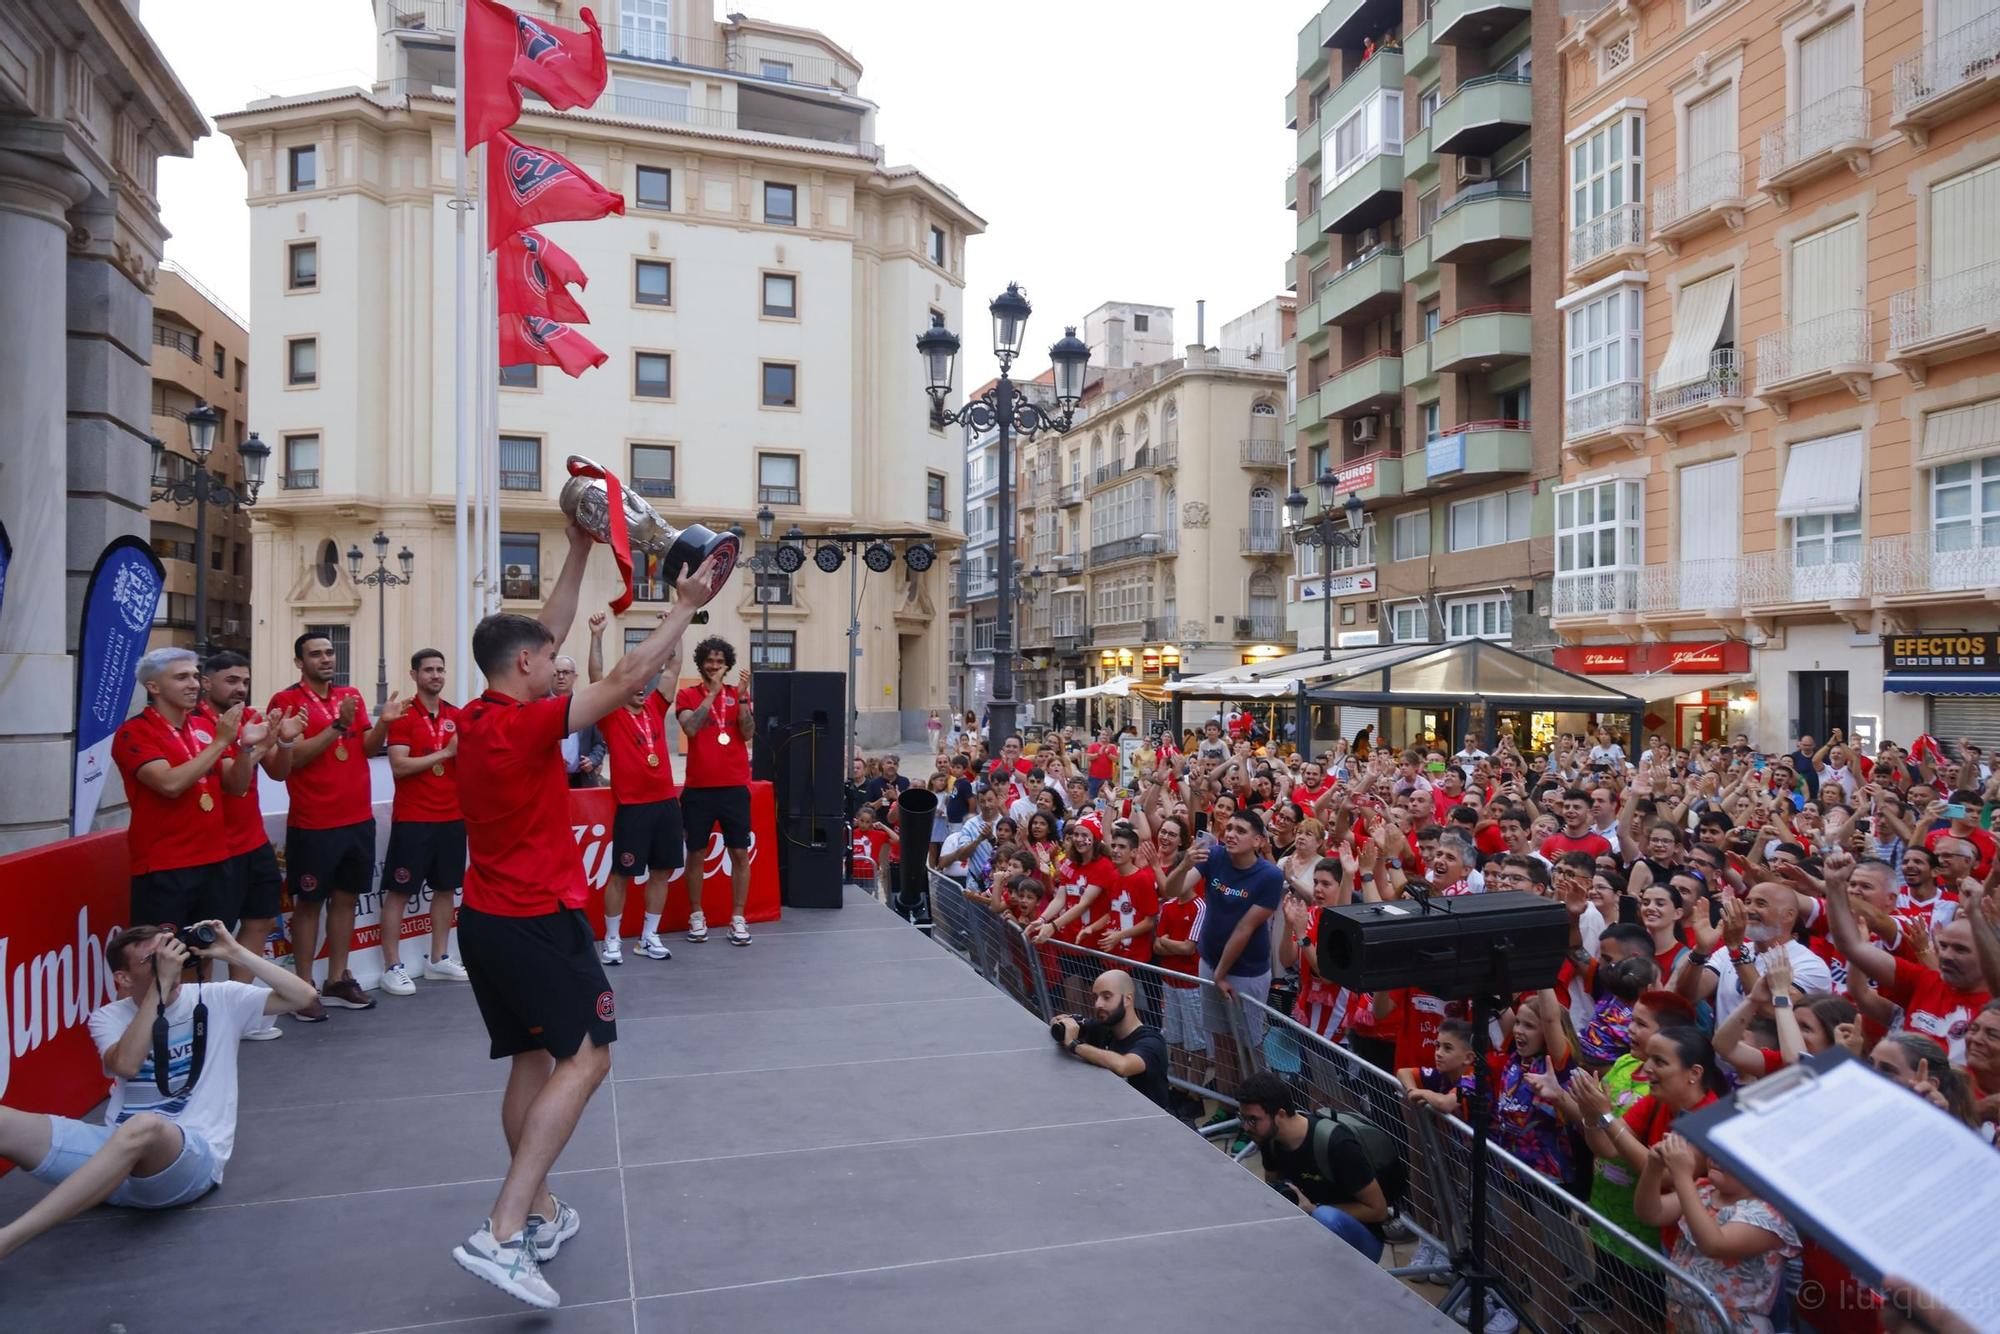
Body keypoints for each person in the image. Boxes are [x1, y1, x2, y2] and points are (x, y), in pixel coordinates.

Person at [448, 523, 724, 1309]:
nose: (558, 658)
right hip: (538, 919)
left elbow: (550, 627)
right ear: (528, 669)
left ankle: (536, 1212)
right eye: (548, 658)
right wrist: (685, 606)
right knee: (590, 1059)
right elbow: (633, 672)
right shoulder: (526, 725)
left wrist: (576, 550)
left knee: (531, 1065)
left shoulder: (477, 716)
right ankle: (501, 1231)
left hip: (489, 921)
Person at [0, 920, 320, 1258]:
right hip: (114, 1158)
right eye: (151, 960)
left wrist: (234, 952)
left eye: (168, 952)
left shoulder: (217, 998)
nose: (166, 962)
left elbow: (305, 998)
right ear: (123, 979)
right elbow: (126, 1064)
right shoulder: (108, 1017)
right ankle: (96, 1184)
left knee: (145, 1126)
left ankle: (8, 1240)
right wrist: (159, 989)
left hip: (186, 1162)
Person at [267, 631, 409, 1017]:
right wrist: (334, 727)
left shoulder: (353, 696)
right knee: (309, 904)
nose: (326, 659)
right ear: (300, 662)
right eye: (316, 654)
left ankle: (336, 979)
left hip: (357, 819)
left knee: (346, 900)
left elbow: (364, 749)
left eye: (329, 652)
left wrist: (384, 726)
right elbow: (291, 761)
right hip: (313, 822)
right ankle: (302, 988)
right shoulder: (287, 702)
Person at [198, 650, 304, 1039]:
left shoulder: (251, 718)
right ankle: (208, 1017)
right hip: (215, 848)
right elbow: (233, 781)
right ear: (206, 683)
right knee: (211, 936)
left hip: (253, 841)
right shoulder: (197, 725)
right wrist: (255, 745)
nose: (240, 688)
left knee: (259, 922)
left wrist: (285, 742)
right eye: (231, 681)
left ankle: (241, 1010)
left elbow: (277, 772)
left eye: (244, 680)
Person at [112, 648, 242, 940]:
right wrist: (221, 743)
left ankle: (200, 990)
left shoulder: (204, 726)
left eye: (195, 676)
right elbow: (170, 785)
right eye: (182, 677)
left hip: (215, 858)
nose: (194, 684)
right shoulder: (134, 732)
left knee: (208, 950)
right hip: (165, 866)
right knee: (166, 958)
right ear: (154, 687)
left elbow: (236, 785)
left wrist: (250, 749)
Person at [587, 611, 685, 963]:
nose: (643, 686)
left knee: (662, 872)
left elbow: (672, 669)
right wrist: (596, 636)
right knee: (622, 873)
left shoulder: (656, 709)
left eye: (646, 680)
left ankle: (649, 936)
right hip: (633, 807)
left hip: (665, 804)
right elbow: (597, 677)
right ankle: (612, 940)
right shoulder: (611, 714)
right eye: (636, 681)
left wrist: (674, 629)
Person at [1636, 1132, 1800, 1333]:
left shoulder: (1770, 1214)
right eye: (1714, 1149)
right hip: (1684, 1317)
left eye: (1729, 1154)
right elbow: (1651, 1213)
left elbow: (1714, 1244)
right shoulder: (1704, 1190)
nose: (1715, 1157)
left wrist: (1682, 1175)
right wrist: (1653, 1169)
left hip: (1730, 1326)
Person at [379, 648, 471, 992]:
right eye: (428, 670)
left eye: (440, 670)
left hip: (451, 816)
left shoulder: (457, 716)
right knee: (400, 892)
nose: (435, 675)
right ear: (414, 674)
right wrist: (445, 753)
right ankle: (393, 965)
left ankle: (439, 958)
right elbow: (399, 767)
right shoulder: (402, 715)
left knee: (446, 889)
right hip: (414, 819)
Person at [1236, 1071, 1390, 1262]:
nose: (1246, 1127)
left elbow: (1378, 1210)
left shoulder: (1337, 1145)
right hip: (1307, 1229)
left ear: (1280, 1115)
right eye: (1242, 1118)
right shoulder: (1269, 1139)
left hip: (1360, 1239)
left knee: (1325, 1217)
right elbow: (1274, 1191)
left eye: (1252, 1119)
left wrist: (1313, 1210)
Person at [675, 637, 756, 946]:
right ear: (700, 664)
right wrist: (711, 695)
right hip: (698, 789)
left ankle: (738, 918)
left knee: (739, 852)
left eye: (719, 662)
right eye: (709, 661)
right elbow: (691, 728)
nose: (714, 666)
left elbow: (747, 733)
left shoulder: (739, 695)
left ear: (728, 665)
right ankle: (696, 915)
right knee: (696, 853)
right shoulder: (686, 694)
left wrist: (745, 699)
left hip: (735, 787)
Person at [1050, 969, 1171, 1109]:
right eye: (1096, 997)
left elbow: (1123, 1066)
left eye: (1106, 997)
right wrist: (1062, 1023)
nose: (1098, 1004)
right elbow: (1056, 1020)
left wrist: (1075, 1045)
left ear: (1128, 999)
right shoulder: (1103, 1027)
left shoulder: (1152, 1042)